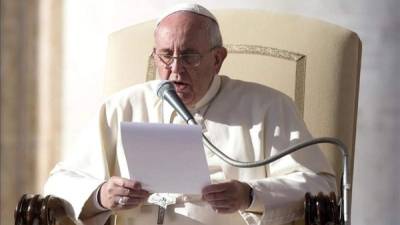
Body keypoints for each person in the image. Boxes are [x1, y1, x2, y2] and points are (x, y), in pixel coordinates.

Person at [44, 3, 336, 225]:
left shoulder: (268, 106)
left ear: (217, 59)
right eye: (165, 55)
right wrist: (101, 195)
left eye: (189, 56)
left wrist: (250, 195)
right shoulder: (122, 106)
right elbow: (59, 182)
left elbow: (321, 187)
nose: (174, 69)